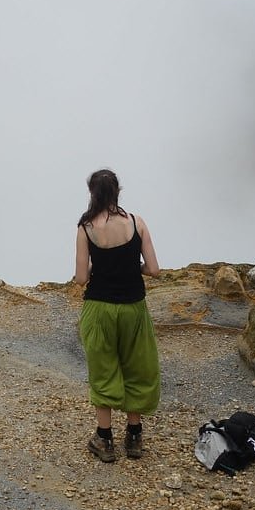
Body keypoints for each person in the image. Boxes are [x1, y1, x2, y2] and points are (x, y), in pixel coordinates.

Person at [74, 168, 160, 462]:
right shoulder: (137, 223)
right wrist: (130, 267)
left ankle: (105, 439)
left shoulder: (86, 228)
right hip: (134, 308)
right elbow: (154, 269)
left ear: (92, 194)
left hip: (99, 308)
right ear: (117, 192)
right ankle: (134, 436)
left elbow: (81, 278)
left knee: (104, 368)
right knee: (137, 366)